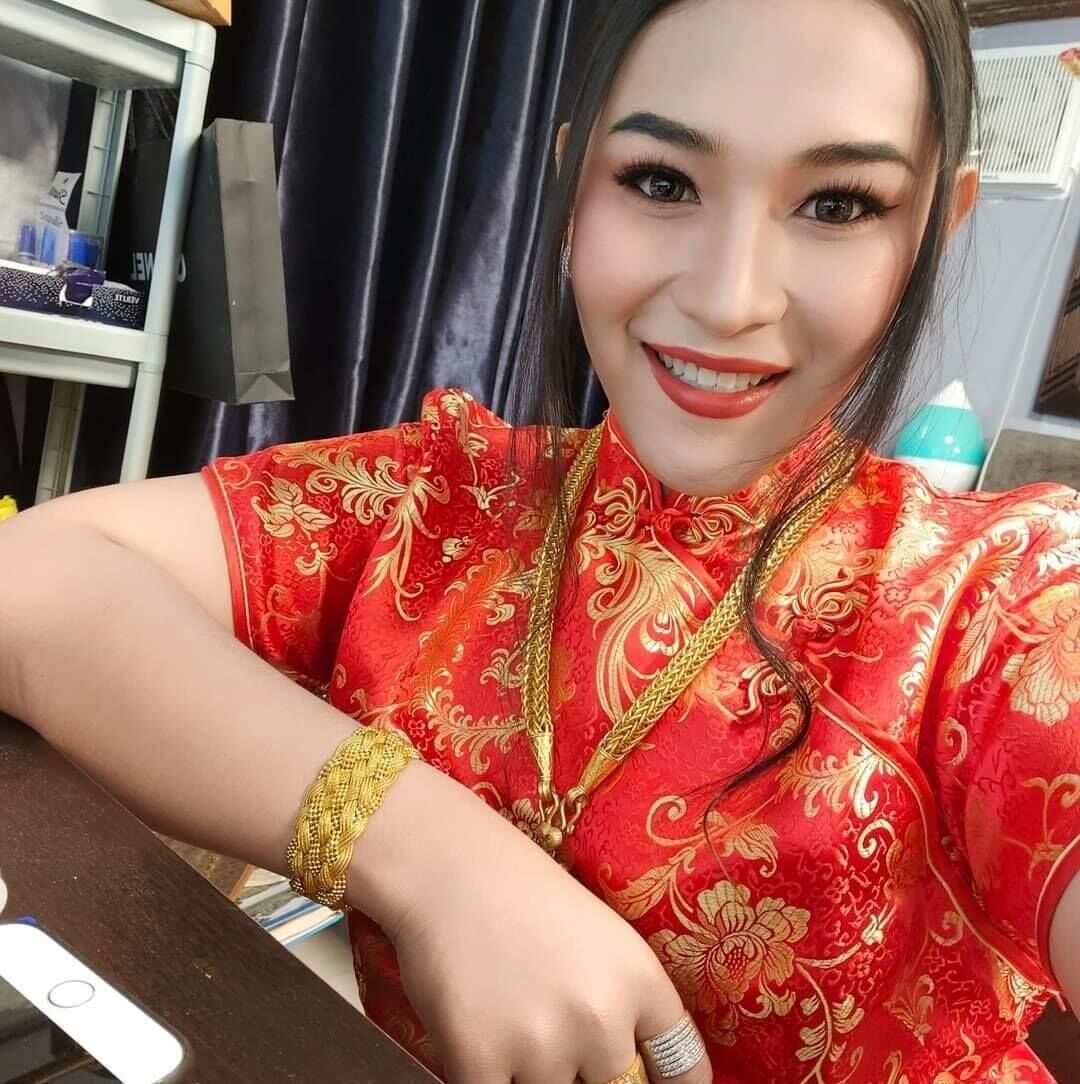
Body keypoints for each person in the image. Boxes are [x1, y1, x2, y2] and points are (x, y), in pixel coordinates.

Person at [1, 0, 1078, 1081]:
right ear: (573, 189)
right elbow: (29, 581)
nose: (728, 298)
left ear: (936, 229)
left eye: (838, 204)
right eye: (661, 181)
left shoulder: (997, 609)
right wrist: (428, 855)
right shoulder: (443, 500)